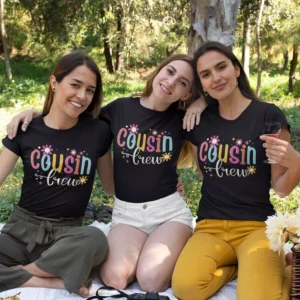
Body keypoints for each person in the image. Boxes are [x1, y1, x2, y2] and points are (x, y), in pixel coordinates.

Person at [5, 54, 207, 292]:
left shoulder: (185, 119)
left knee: (148, 279)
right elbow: (71, 113)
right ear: (159, 71)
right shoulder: (118, 110)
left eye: (183, 82)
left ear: (187, 93)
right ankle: (44, 276)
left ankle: (20, 273)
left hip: (167, 211)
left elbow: (220, 124)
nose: (172, 82)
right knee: (113, 278)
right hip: (127, 215)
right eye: (170, 71)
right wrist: (34, 114)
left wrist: (203, 102)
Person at [172, 41, 299, 300]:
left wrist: (297, 163)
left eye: (221, 67)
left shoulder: (268, 116)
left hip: (256, 227)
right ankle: (239, 268)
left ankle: (282, 269)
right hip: (210, 226)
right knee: (186, 288)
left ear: (237, 70)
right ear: (201, 84)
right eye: (206, 75)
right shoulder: (200, 121)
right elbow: (204, 173)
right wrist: (198, 102)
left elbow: (282, 188)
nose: (216, 77)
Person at [0, 53, 112, 298]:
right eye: (75, 85)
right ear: (54, 82)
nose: (82, 96)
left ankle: (24, 272)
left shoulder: (98, 131)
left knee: (95, 239)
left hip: (67, 236)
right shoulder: (25, 129)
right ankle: (51, 280)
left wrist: (163, 182)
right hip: (20, 232)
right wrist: (32, 113)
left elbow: (111, 187)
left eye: (90, 90)